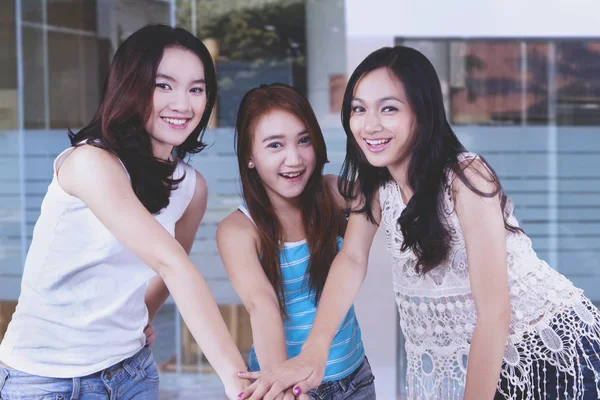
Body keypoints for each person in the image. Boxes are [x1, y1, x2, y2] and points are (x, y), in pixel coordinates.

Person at [238, 46, 600, 400]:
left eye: (389, 109)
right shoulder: (379, 187)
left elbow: (494, 311)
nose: (370, 125)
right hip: (490, 357)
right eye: (358, 109)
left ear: (422, 113)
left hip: (550, 348)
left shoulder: (466, 178)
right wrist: (313, 353)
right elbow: (351, 259)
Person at [0, 24, 248, 400]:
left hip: (130, 372)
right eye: (163, 85)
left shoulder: (192, 187)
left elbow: (169, 273)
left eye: (196, 89)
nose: (183, 104)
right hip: (44, 380)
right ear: (130, 86)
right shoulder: (91, 163)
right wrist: (237, 379)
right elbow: (172, 264)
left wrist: (139, 318)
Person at [220, 83, 375, 400]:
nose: (294, 158)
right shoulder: (238, 229)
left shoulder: (333, 194)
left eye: (304, 140)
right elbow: (261, 305)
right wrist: (287, 391)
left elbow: (382, 193)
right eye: (275, 145)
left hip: (355, 378)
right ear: (249, 157)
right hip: (289, 386)